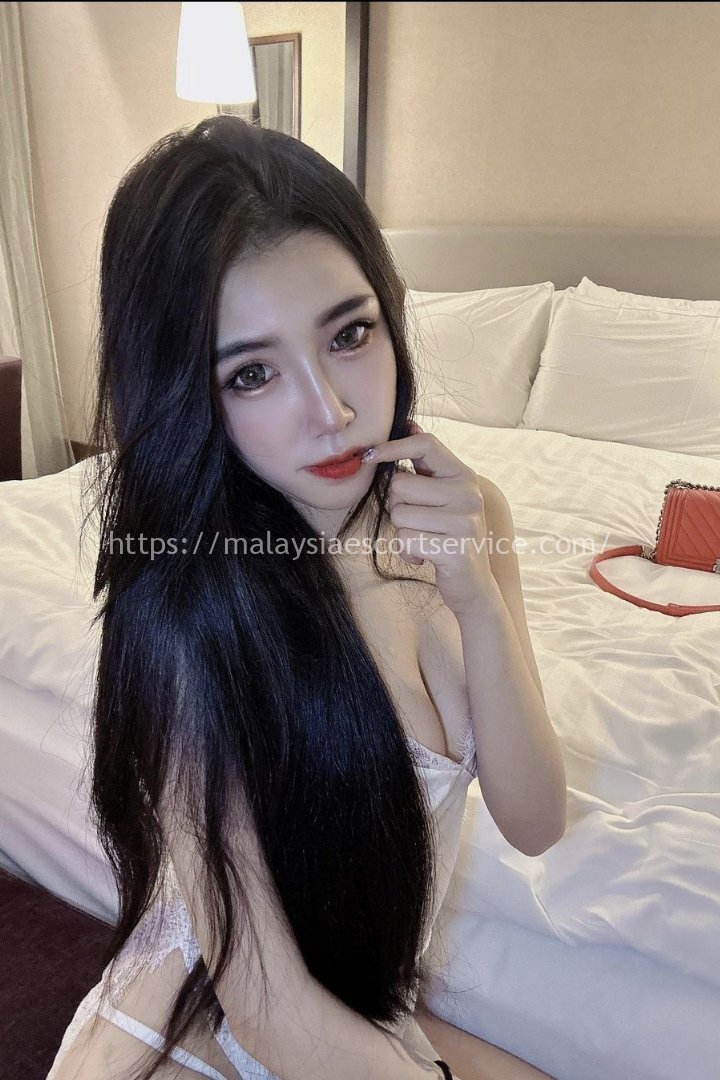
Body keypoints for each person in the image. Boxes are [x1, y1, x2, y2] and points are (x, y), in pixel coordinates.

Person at [47, 115, 567, 1080]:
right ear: (187, 394)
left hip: (363, 1013)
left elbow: (534, 820)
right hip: (212, 1032)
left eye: (349, 334)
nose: (330, 411)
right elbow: (267, 1008)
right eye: (252, 373)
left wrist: (479, 599)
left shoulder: (468, 515)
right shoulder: (190, 613)